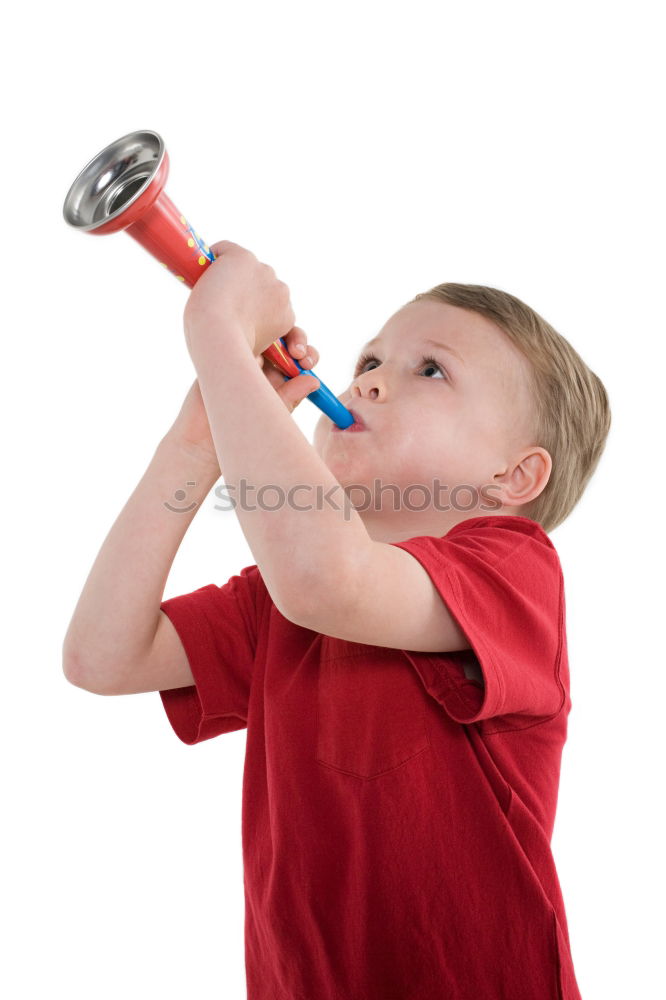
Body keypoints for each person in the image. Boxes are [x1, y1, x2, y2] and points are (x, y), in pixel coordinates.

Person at [62, 241, 610, 999]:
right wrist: (198, 440)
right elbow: (102, 655)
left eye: (431, 370)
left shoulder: (513, 571)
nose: (373, 382)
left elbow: (327, 577)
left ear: (514, 477)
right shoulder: (283, 600)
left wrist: (221, 337)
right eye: (371, 360)